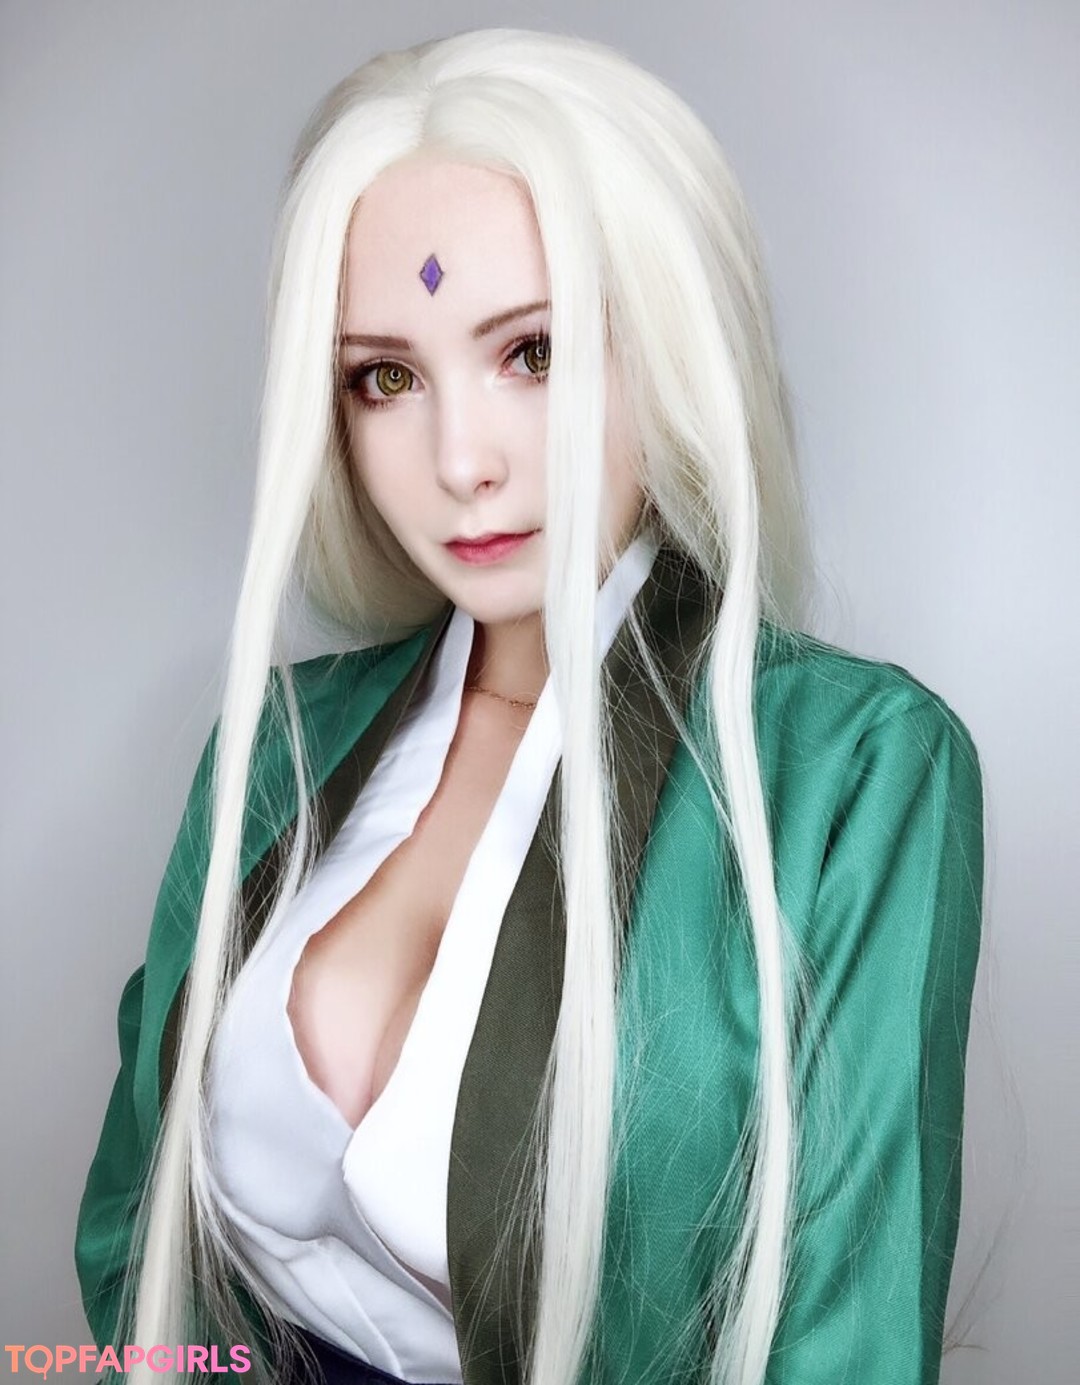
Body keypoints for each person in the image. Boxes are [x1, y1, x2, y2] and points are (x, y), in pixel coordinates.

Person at [74, 26, 984, 1385]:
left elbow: (846, 1335)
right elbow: (133, 1241)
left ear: (671, 343)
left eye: (535, 352)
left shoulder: (851, 774)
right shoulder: (277, 751)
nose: (461, 461)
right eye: (386, 377)